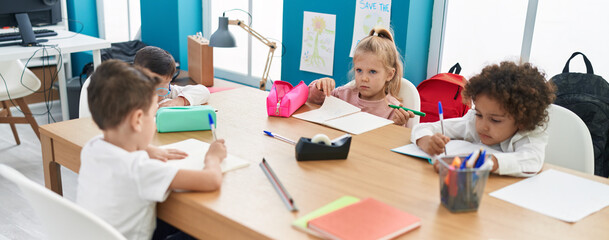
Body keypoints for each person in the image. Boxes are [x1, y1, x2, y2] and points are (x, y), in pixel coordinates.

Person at [76, 60, 226, 240]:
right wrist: (213, 157)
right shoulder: (140, 169)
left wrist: (147, 149)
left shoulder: (92, 147)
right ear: (138, 120)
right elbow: (211, 181)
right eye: (153, 115)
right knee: (207, 232)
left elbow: (118, 146)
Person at [412, 61, 556, 177]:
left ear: (522, 121)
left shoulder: (529, 136)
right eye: (479, 114)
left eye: (495, 120)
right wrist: (426, 141)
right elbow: (424, 127)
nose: (483, 126)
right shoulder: (473, 123)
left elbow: (532, 161)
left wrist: (485, 161)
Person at [307, 27, 414, 126]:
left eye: (372, 72)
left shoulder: (393, 110)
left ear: (389, 74)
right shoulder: (343, 94)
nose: (364, 78)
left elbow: (391, 143)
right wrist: (320, 87)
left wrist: (396, 125)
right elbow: (312, 100)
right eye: (359, 70)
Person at [133, 46, 211, 108]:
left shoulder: (168, 93)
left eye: (161, 91)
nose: (155, 96)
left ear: (169, 82)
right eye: (149, 89)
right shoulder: (128, 95)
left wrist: (179, 101)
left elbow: (204, 91)